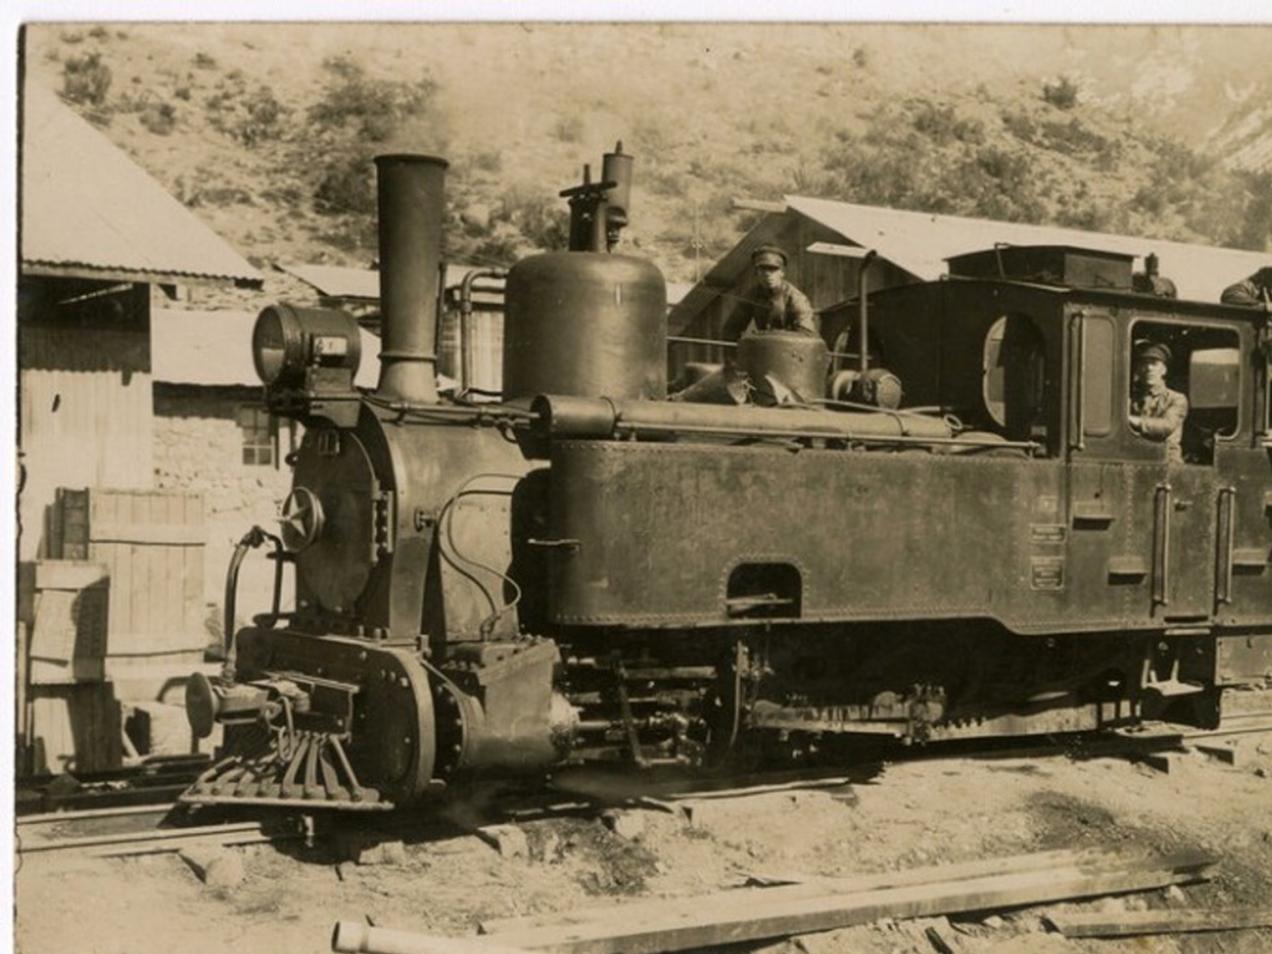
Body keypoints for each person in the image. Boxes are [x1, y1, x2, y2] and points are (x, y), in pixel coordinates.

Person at [721, 245, 816, 342]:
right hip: (763, 352)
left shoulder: (796, 298)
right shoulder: (752, 294)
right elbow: (731, 330)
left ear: (782, 272)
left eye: (773, 269)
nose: (767, 274)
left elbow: (806, 334)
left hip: (792, 351)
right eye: (763, 269)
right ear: (757, 272)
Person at [1128, 341, 1188, 464]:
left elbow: (1166, 426)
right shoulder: (1131, 398)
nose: (1149, 368)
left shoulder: (1177, 399)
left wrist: (1134, 420)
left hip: (1166, 462)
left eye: (1154, 363)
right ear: (1138, 370)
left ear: (1163, 370)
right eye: (1144, 363)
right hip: (1136, 459)